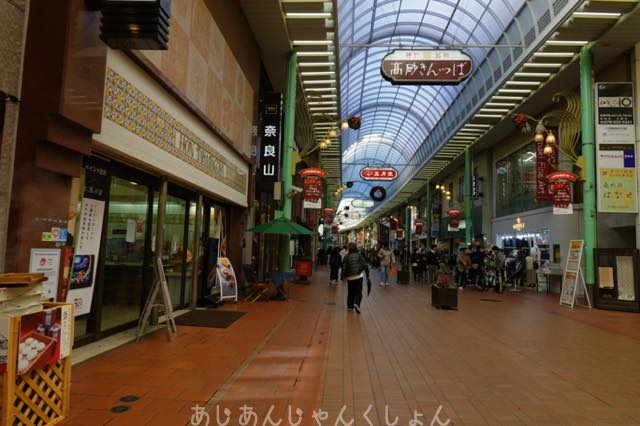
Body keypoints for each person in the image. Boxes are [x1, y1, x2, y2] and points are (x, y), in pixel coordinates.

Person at [341, 242, 370, 314]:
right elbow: (365, 265)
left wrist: (342, 277)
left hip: (350, 277)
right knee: (358, 291)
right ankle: (357, 303)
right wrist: (367, 274)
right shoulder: (359, 255)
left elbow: (343, 268)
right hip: (358, 276)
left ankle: (350, 306)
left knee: (350, 292)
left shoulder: (346, 257)